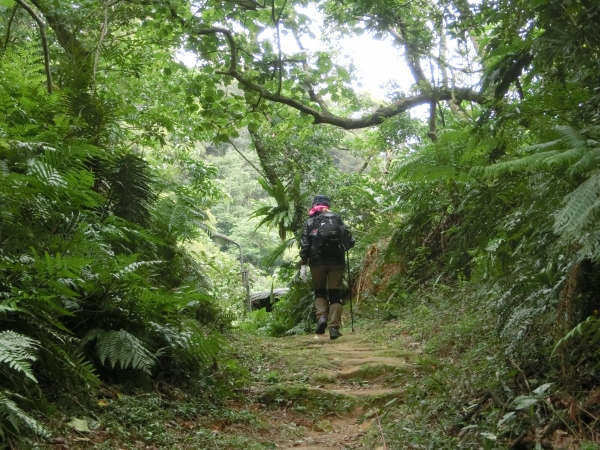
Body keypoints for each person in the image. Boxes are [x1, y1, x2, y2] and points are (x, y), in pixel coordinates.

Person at [299, 195, 354, 339]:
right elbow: (350, 240)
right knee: (335, 293)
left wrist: (303, 265)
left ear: (314, 206)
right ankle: (334, 327)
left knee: (320, 291)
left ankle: (321, 317)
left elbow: (305, 244)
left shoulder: (310, 222)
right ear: (328, 205)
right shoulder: (336, 219)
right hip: (337, 261)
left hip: (317, 262)